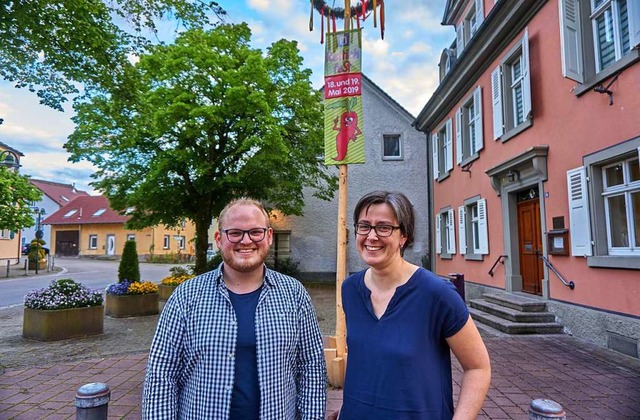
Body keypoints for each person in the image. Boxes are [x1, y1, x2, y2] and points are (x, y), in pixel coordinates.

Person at [142, 198, 327, 419]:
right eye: (235, 233)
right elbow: (161, 373)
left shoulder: (294, 294)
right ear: (219, 239)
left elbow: (312, 367)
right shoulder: (186, 296)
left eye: (255, 232)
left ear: (268, 236)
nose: (246, 240)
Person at [339, 191, 491, 419]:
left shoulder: (437, 293)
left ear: (404, 236)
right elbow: (367, 359)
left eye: (384, 227)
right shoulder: (350, 289)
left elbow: (478, 368)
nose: (371, 236)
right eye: (364, 226)